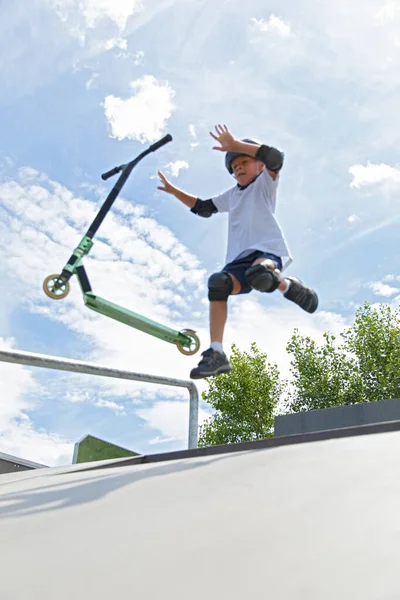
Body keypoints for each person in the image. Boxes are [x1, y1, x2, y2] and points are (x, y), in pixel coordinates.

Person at [157, 124, 318, 379]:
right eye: (234, 167)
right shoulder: (232, 195)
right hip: (236, 260)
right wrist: (174, 191)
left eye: (243, 162)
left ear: (259, 166)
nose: (238, 168)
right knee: (218, 284)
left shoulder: (265, 183)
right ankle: (217, 352)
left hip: (266, 250)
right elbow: (203, 208)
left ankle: (288, 286)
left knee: (261, 275)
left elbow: (276, 157)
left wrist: (235, 146)